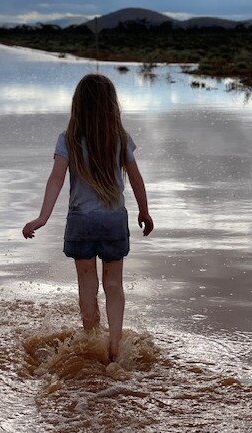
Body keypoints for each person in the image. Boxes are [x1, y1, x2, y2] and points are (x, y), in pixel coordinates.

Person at [22, 74, 153, 362]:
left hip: (81, 222)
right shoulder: (120, 138)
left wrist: (42, 217)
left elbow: (56, 178)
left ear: (78, 105)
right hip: (113, 221)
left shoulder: (67, 140)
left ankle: (92, 339)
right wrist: (144, 211)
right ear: (111, 105)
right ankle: (115, 345)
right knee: (114, 285)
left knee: (87, 284)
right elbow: (136, 179)